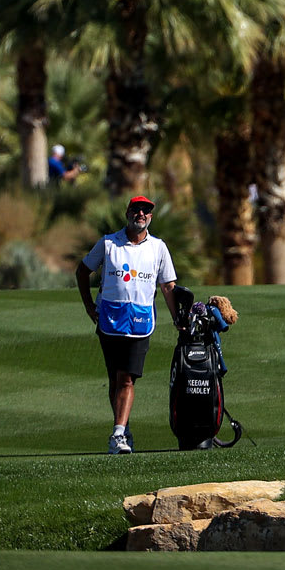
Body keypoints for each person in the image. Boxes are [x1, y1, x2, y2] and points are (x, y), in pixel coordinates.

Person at [75, 195, 178, 454]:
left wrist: (178, 318)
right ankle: (124, 427)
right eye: (136, 210)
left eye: (145, 211)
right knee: (116, 377)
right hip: (109, 317)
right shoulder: (109, 243)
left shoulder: (158, 247)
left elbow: (167, 286)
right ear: (128, 214)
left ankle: (118, 435)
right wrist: (89, 305)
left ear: (151, 218)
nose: (140, 214)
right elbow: (83, 270)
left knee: (126, 378)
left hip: (141, 319)